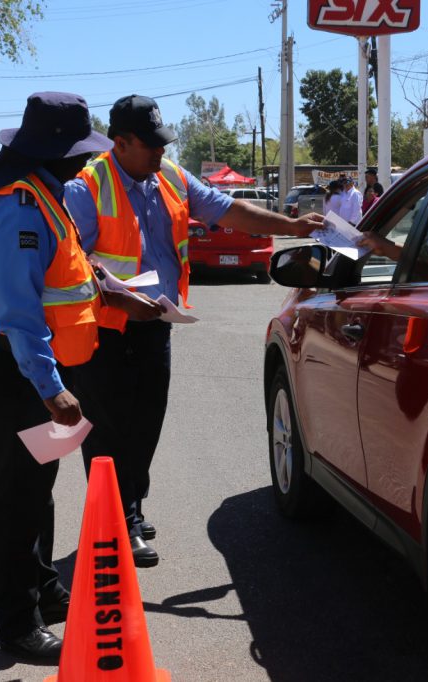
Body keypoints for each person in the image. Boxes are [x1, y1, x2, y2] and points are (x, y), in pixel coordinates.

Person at [64, 93, 322, 567]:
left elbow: (230, 211)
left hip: (155, 323)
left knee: (146, 423)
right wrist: (118, 295)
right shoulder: (85, 188)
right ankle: (118, 522)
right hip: (104, 328)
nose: (160, 152)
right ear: (120, 143)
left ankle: (131, 508)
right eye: (150, 145)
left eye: (163, 143)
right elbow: (75, 261)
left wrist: (291, 225)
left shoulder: (171, 176)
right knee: (109, 431)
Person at [0, 91, 151, 661]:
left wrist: (114, 292)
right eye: (77, 152)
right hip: (18, 373)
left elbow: (65, 272)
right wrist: (52, 390)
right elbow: (21, 314)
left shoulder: (46, 197)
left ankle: (43, 590)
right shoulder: (19, 208)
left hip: (36, 369)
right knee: (18, 496)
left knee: (38, 489)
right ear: (53, 153)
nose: (84, 162)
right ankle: (17, 621)